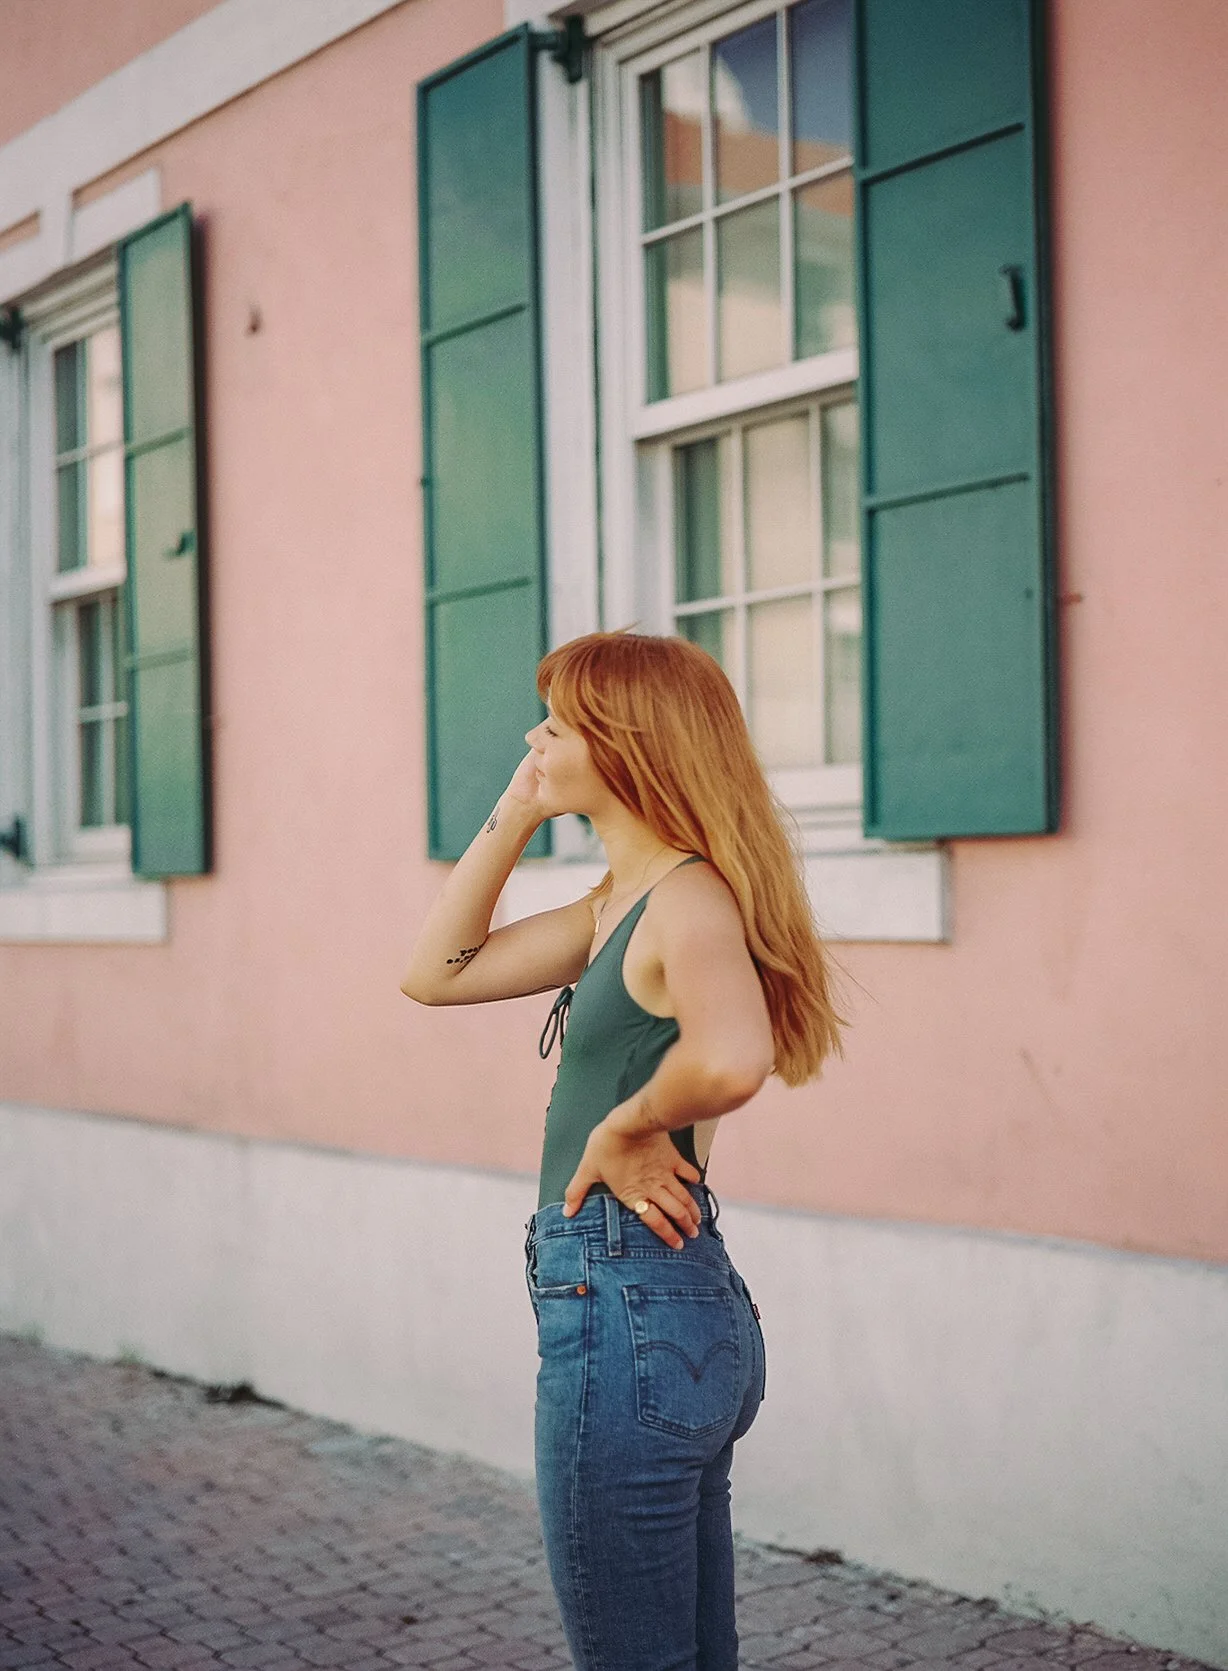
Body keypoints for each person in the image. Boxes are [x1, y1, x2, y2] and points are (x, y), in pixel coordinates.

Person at [401, 629, 846, 1671]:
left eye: (556, 726)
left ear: (626, 746)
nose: (533, 738)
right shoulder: (616, 905)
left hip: (628, 1303)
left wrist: (626, 1124)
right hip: (659, 1301)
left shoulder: (686, 898)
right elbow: (435, 973)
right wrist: (518, 810)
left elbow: (732, 1055)